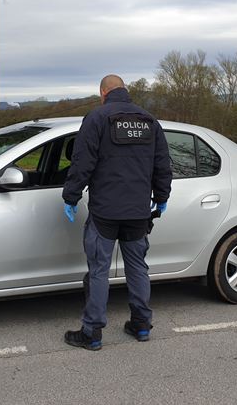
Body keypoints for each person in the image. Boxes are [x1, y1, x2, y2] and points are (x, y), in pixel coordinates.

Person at [61, 74, 172, 350]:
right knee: (137, 268)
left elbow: (82, 161)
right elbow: (162, 164)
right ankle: (142, 325)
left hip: (105, 212)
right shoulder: (149, 120)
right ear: (126, 90)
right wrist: (161, 197)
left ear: (103, 92)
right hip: (138, 212)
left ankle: (92, 332)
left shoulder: (97, 118)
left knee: (99, 270)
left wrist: (71, 196)